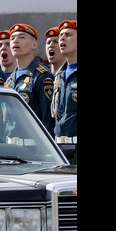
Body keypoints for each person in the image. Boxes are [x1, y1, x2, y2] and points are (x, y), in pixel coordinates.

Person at [5, 23, 55, 133]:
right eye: (12, 38)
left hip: (32, 146)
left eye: (21, 37)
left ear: (34, 44)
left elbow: (48, 119)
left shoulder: (42, 76)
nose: (15, 41)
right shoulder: (9, 80)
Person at [51, 20, 77, 150]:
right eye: (61, 35)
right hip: (61, 148)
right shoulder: (59, 75)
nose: (62, 38)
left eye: (68, 35)